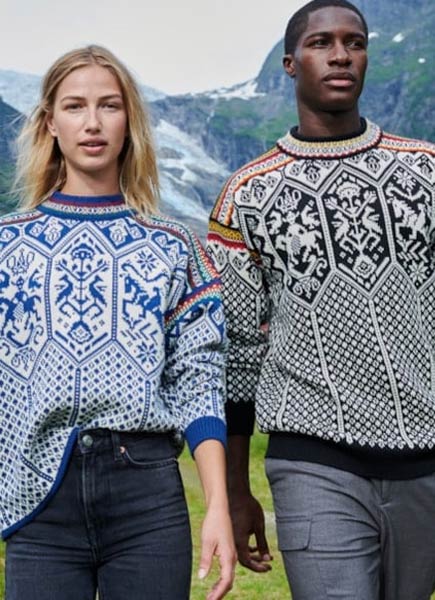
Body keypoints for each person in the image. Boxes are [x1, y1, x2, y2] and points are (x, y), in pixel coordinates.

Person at [207, 0, 435, 598]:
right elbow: (236, 355)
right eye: (321, 43)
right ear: (290, 63)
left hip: (425, 461)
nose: (340, 55)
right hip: (312, 458)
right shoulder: (246, 195)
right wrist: (236, 490)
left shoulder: (426, 172)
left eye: (354, 43)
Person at [0, 45, 236, 600]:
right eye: (75, 106)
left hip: (146, 499)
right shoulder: (7, 246)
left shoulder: (176, 248)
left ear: (129, 120)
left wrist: (218, 508)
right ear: (50, 123)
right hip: (38, 498)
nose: (92, 122)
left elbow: (199, 384)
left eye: (109, 105)